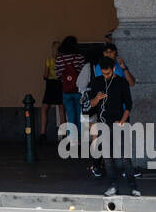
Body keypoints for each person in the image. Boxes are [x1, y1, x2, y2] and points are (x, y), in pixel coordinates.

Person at [85, 56, 139, 197]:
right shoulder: (96, 82)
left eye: (108, 73)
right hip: (103, 123)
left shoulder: (121, 82)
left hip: (120, 123)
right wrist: (96, 98)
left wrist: (122, 122)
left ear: (114, 69)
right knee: (108, 158)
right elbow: (91, 104)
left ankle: (133, 186)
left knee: (125, 157)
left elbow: (129, 105)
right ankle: (113, 186)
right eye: (103, 74)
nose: (106, 76)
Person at [55, 36, 86, 144]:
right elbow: (83, 73)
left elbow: (57, 74)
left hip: (66, 90)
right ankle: (80, 138)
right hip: (78, 89)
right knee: (79, 114)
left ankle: (72, 138)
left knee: (70, 114)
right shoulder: (79, 57)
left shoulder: (59, 58)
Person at [38, 40, 63, 144]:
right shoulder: (62, 60)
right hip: (60, 84)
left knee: (44, 109)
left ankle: (43, 134)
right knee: (62, 110)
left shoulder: (49, 60)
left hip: (50, 85)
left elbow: (45, 75)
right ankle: (63, 135)